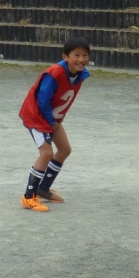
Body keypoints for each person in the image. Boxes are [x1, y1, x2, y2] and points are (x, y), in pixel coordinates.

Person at [18, 37, 91, 211]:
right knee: (46, 153)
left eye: (85, 55)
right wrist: (51, 122)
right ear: (65, 57)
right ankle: (28, 197)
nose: (81, 59)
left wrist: (58, 119)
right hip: (36, 116)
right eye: (77, 55)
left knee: (64, 149)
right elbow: (42, 100)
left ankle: (43, 189)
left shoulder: (80, 75)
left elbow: (64, 97)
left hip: (51, 117)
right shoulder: (55, 73)